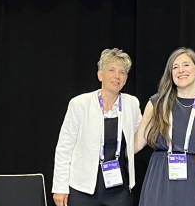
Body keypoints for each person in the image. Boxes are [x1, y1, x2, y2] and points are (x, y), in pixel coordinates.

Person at [135, 47, 195, 206]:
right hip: (160, 180)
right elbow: (136, 143)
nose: (180, 70)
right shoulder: (157, 104)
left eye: (186, 65)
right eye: (175, 67)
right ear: (170, 74)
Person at [52, 48, 142, 206]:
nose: (117, 76)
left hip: (119, 190)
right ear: (100, 74)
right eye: (111, 70)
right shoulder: (79, 104)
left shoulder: (131, 103)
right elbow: (64, 148)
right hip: (83, 189)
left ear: (126, 78)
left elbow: (141, 136)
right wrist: (60, 187)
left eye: (122, 72)